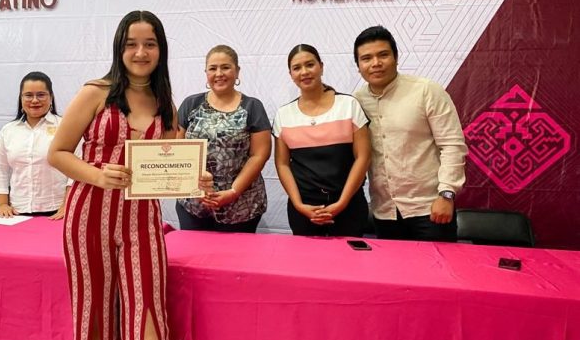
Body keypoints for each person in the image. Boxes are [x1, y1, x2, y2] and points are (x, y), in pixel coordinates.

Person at [48, 11, 210, 340]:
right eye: (131, 44)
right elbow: (58, 153)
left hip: (143, 222)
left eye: (149, 44)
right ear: (119, 48)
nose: (140, 52)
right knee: (96, 324)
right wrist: (96, 174)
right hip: (88, 218)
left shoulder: (165, 104)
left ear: (161, 49)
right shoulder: (95, 93)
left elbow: (164, 169)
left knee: (150, 333)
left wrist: (193, 179)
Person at [353, 25, 468, 241]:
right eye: (366, 58)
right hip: (384, 211)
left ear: (396, 57)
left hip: (431, 209)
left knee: (436, 274)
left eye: (383, 55)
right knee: (392, 274)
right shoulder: (355, 101)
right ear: (358, 66)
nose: (375, 63)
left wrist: (447, 194)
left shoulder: (426, 90)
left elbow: (452, 145)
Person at [273, 44, 371, 236]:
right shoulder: (284, 115)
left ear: (321, 66)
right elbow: (282, 164)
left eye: (310, 65)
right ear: (291, 74)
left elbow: (363, 157)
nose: (304, 72)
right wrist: (299, 204)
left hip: (349, 205)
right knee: (307, 264)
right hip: (303, 209)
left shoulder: (349, 105)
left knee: (349, 264)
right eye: (297, 68)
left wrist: (341, 203)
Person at [176, 45, 272, 233]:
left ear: (237, 71)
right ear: (206, 73)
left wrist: (233, 192)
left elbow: (259, 155)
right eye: (213, 68)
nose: (219, 73)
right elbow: (178, 150)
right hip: (194, 205)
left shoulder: (252, 107)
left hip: (241, 208)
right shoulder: (191, 104)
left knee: (234, 261)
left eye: (225, 67)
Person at [0, 71, 68, 219]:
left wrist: (67, 205)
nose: (35, 100)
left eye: (41, 95)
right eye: (29, 95)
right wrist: (3, 204)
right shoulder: (8, 131)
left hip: (57, 211)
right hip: (16, 212)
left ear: (51, 97)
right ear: (21, 98)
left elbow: (75, 172)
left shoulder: (65, 127)